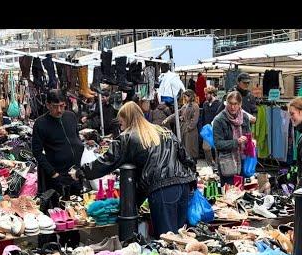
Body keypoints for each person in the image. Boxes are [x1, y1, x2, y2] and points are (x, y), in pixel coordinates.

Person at [72, 102, 196, 237]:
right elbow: (186, 158)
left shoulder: (128, 136)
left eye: (121, 123)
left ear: (127, 119)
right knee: (181, 237)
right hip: (183, 185)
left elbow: (107, 161)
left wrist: (81, 172)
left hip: (162, 190)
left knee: (167, 239)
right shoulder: (164, 132)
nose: (121, 127)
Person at [32, 89, 85, 198]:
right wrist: (53, 173)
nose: (59, 110)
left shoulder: (70, 116)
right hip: (58, 175)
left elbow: (75, 136)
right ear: (47, 105)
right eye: (55, 106)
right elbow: (37, 152)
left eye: (62, 105)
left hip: (76, 172)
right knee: (60, 209)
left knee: (78, 207)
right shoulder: (40, 123)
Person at [212, 91, 251, 186]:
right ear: (226, 103)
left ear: (240, 104)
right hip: (227, 162)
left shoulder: (244, 117)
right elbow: (218, 144)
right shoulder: (219, 120)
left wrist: (250, 140)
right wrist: (236, 142)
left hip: (242, 160)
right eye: (230, 103)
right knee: (228, 193)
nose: (232, 107)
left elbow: (248, 134)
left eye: (235, 104)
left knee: (241, 192)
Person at [201, 86, 223, 165]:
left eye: (207, 94)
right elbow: (203, 116)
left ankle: (218, 165)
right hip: (207, 129)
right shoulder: (205, 104)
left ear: (212, 94)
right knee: (206, 148)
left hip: (216, 129)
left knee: (217, 149)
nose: (205, 96)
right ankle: (210, 163)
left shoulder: (219, 104)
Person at [181, 89, 200, 159]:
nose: (184, 98)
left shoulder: (195, 106)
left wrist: (189, 128)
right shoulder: (185, 106)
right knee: (186, 148)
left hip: (190, 131)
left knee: (191, 149)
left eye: (185, 96)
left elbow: (195, 119)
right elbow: (178, 113)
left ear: (190, 96)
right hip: (185, 129)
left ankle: (192, 166)